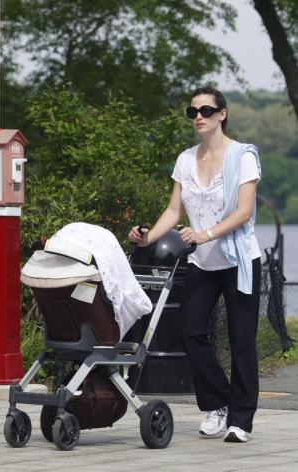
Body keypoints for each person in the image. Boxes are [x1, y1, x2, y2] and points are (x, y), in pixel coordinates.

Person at [129, 86, 261, 443]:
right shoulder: (186, 160)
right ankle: (217, 403)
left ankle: (241, 419)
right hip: (203, 263)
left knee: (242, 341)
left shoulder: (243, 156)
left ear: (222, 114)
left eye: (205, 110)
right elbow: (174, 210)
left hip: (238, 261)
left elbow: (244, 211)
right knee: (190, 331)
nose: (198, 117)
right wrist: (148, 238)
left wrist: (205, 233)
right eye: (192, 112)